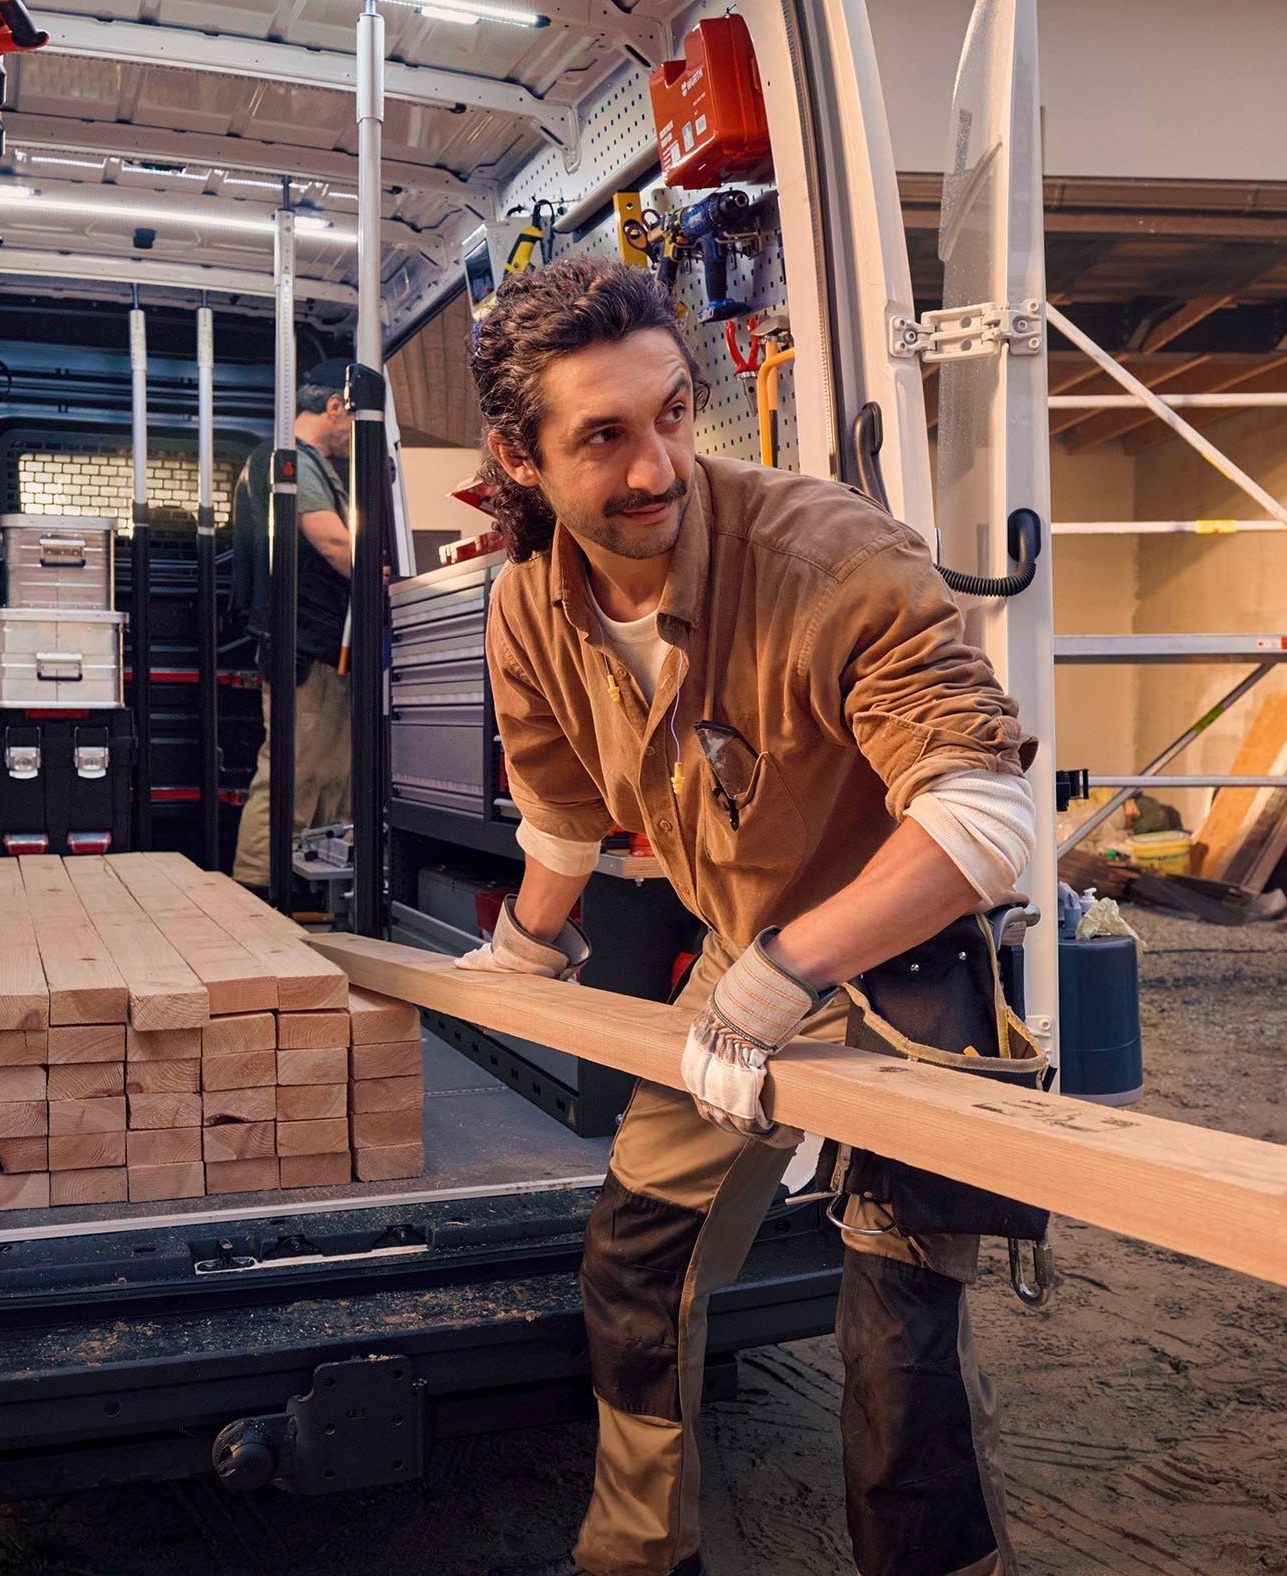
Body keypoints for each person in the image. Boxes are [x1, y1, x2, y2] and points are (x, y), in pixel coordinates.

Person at [460, 256, 1044, 1576]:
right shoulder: (527, 612)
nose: (658, 464)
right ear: (520, 457)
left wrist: (781, 976)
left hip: (899, 947)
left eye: (673, 413)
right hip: (743, 954)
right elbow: (560, 816)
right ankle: (637, 1554)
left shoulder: (827, 560)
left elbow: (988, 824)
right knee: (633, 1257)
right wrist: (523, 950)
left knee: (898, 1343)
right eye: (604, 437)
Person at [228, 360, 362, 889]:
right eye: (355, 419)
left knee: (329, 776)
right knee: (294, 775)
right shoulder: (289, 461)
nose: (356, 436)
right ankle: (257, 900)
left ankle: (306, 895)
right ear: (334, 407)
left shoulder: (309, 464)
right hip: (303, 646)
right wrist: (391, 580)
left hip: (319, 645)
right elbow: (332, 543)